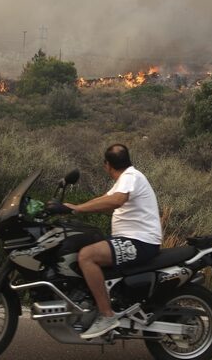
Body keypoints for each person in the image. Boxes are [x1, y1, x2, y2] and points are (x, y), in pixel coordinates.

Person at [64, 144, 162, 339]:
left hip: (140, 242)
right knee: (85, 246)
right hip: (133, 240)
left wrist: (77, 208)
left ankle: (107, 315)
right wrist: (73, 208)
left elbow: (115, 201)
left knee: (87, 256)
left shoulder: (130, 177)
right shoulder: (127, 179)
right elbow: (104, 199)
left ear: (107, 165)